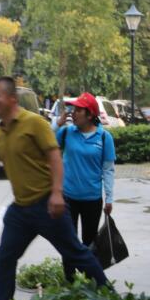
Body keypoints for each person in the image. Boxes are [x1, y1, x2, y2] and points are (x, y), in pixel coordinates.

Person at [0, 77, 108, 300]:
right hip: (20, 210)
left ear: (12, 98)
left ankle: (108, 297)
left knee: (76, 253)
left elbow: (55, 157)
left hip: (47, 204)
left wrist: (57, 193)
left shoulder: (34, 123)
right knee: (5, 259)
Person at [54, 92, 116, 263]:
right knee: (68, 241)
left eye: (78, 110)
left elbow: (108, 170)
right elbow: (46, 143)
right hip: (68, 198)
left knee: (89, 244)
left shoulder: (104, 137)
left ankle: (88, 278)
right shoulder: (66, 132)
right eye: (73, 109)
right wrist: (57, 125)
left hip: (92, 199)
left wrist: (109, 198)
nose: (73, 113)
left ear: (90, 115)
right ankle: (69, 277)